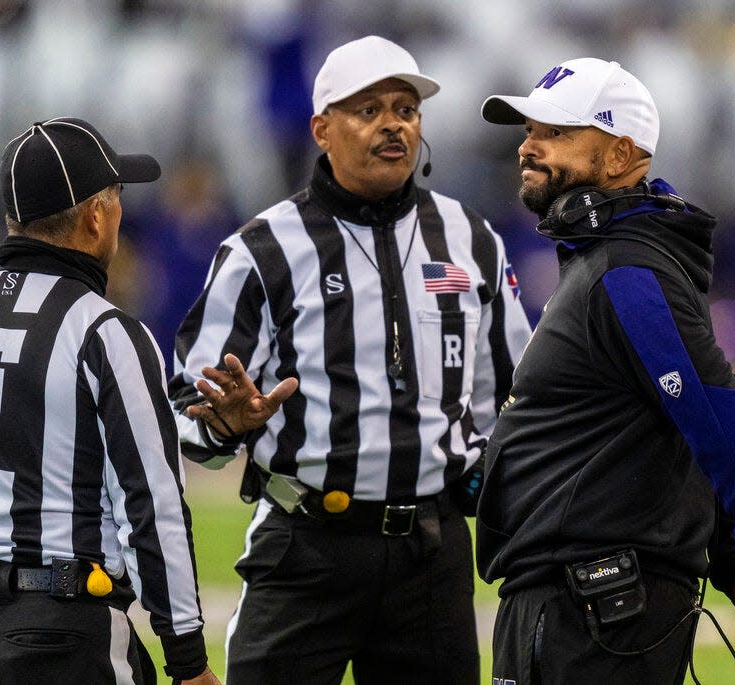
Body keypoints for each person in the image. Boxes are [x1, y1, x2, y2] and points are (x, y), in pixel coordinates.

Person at [475, 58, 735, 683]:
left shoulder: (628, 270)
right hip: (587, 607)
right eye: (529, 130)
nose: (528, 146)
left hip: (593, 618)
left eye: (557, 132)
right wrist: (732, 560)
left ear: (621, 155)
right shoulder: (608, 260)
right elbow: (661, 430)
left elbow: (722, 421)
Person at [167, 35, 532, 685]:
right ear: (322, 128)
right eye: (368, 110)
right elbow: (188, 411)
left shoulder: (471, 240)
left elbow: (515, 391)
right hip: (305, 546)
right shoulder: (262, 248)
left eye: (406, 109)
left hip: (431, 550)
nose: (393, 123)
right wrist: (225, 424)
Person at [0, 117, 220, 685]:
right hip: (62, 639)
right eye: (117, 197)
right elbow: (153, 505)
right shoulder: (106, 332)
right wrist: (189, 662)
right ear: (96, 215)